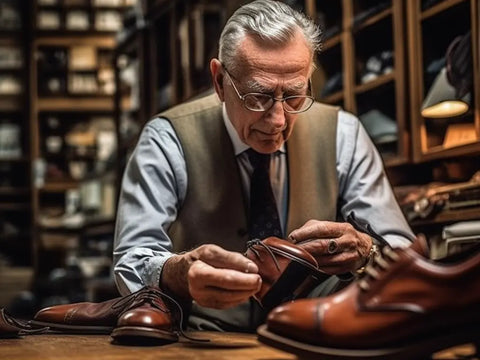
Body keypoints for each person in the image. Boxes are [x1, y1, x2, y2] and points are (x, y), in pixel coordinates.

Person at [113, 0, 415, 332]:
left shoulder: (344, 133)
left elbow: (406, 258)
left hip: (315, 337)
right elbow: (131, 260)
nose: (277, 120)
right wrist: (178, 274)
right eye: (257, 97)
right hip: (203, 343)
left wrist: (368, 251)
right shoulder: (167, 139)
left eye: (295, 96)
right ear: (219, 81)